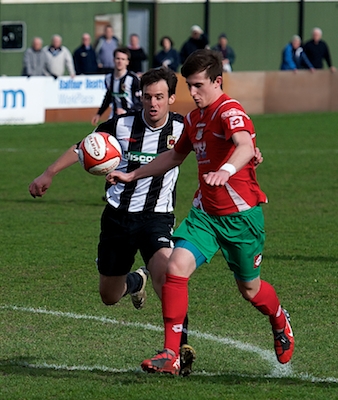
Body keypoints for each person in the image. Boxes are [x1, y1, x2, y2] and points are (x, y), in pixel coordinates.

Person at [106, 49, 294, 375]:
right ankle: (171, 352)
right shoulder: (193, 119)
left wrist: (228, 169)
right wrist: (132, 174)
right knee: (176, 267)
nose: (191, 94)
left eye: (197, 86)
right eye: (188, 87)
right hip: (205, 214)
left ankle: (279, 319)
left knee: (249, 289)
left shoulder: (229, 110)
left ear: (216, 81)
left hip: (241, 218)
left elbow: (245, 144)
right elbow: (174, 157)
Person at [28, 67, 196, 377]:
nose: (153, 103)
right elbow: (82, 147)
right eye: (147, 97)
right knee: (109, 295)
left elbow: (216, 145)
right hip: (117, 217)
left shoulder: (183, 127)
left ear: (171, 97)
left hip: (157, 217)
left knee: (169, 275)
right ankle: (136, 281)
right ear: (140, 97)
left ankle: (178, 350)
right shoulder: (120, 125)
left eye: (160, 97)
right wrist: (48, 173)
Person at [91, 47, 142, 126]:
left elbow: (141, 102)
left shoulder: (133, 79)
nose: (120, 61)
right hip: (113, 117)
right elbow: (108, 97)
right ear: (113, 60)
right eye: (118, 58)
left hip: (130, 117)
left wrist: (127, 111)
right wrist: (99, 114)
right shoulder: (108, 78)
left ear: (127, 62)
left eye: (123, 59)